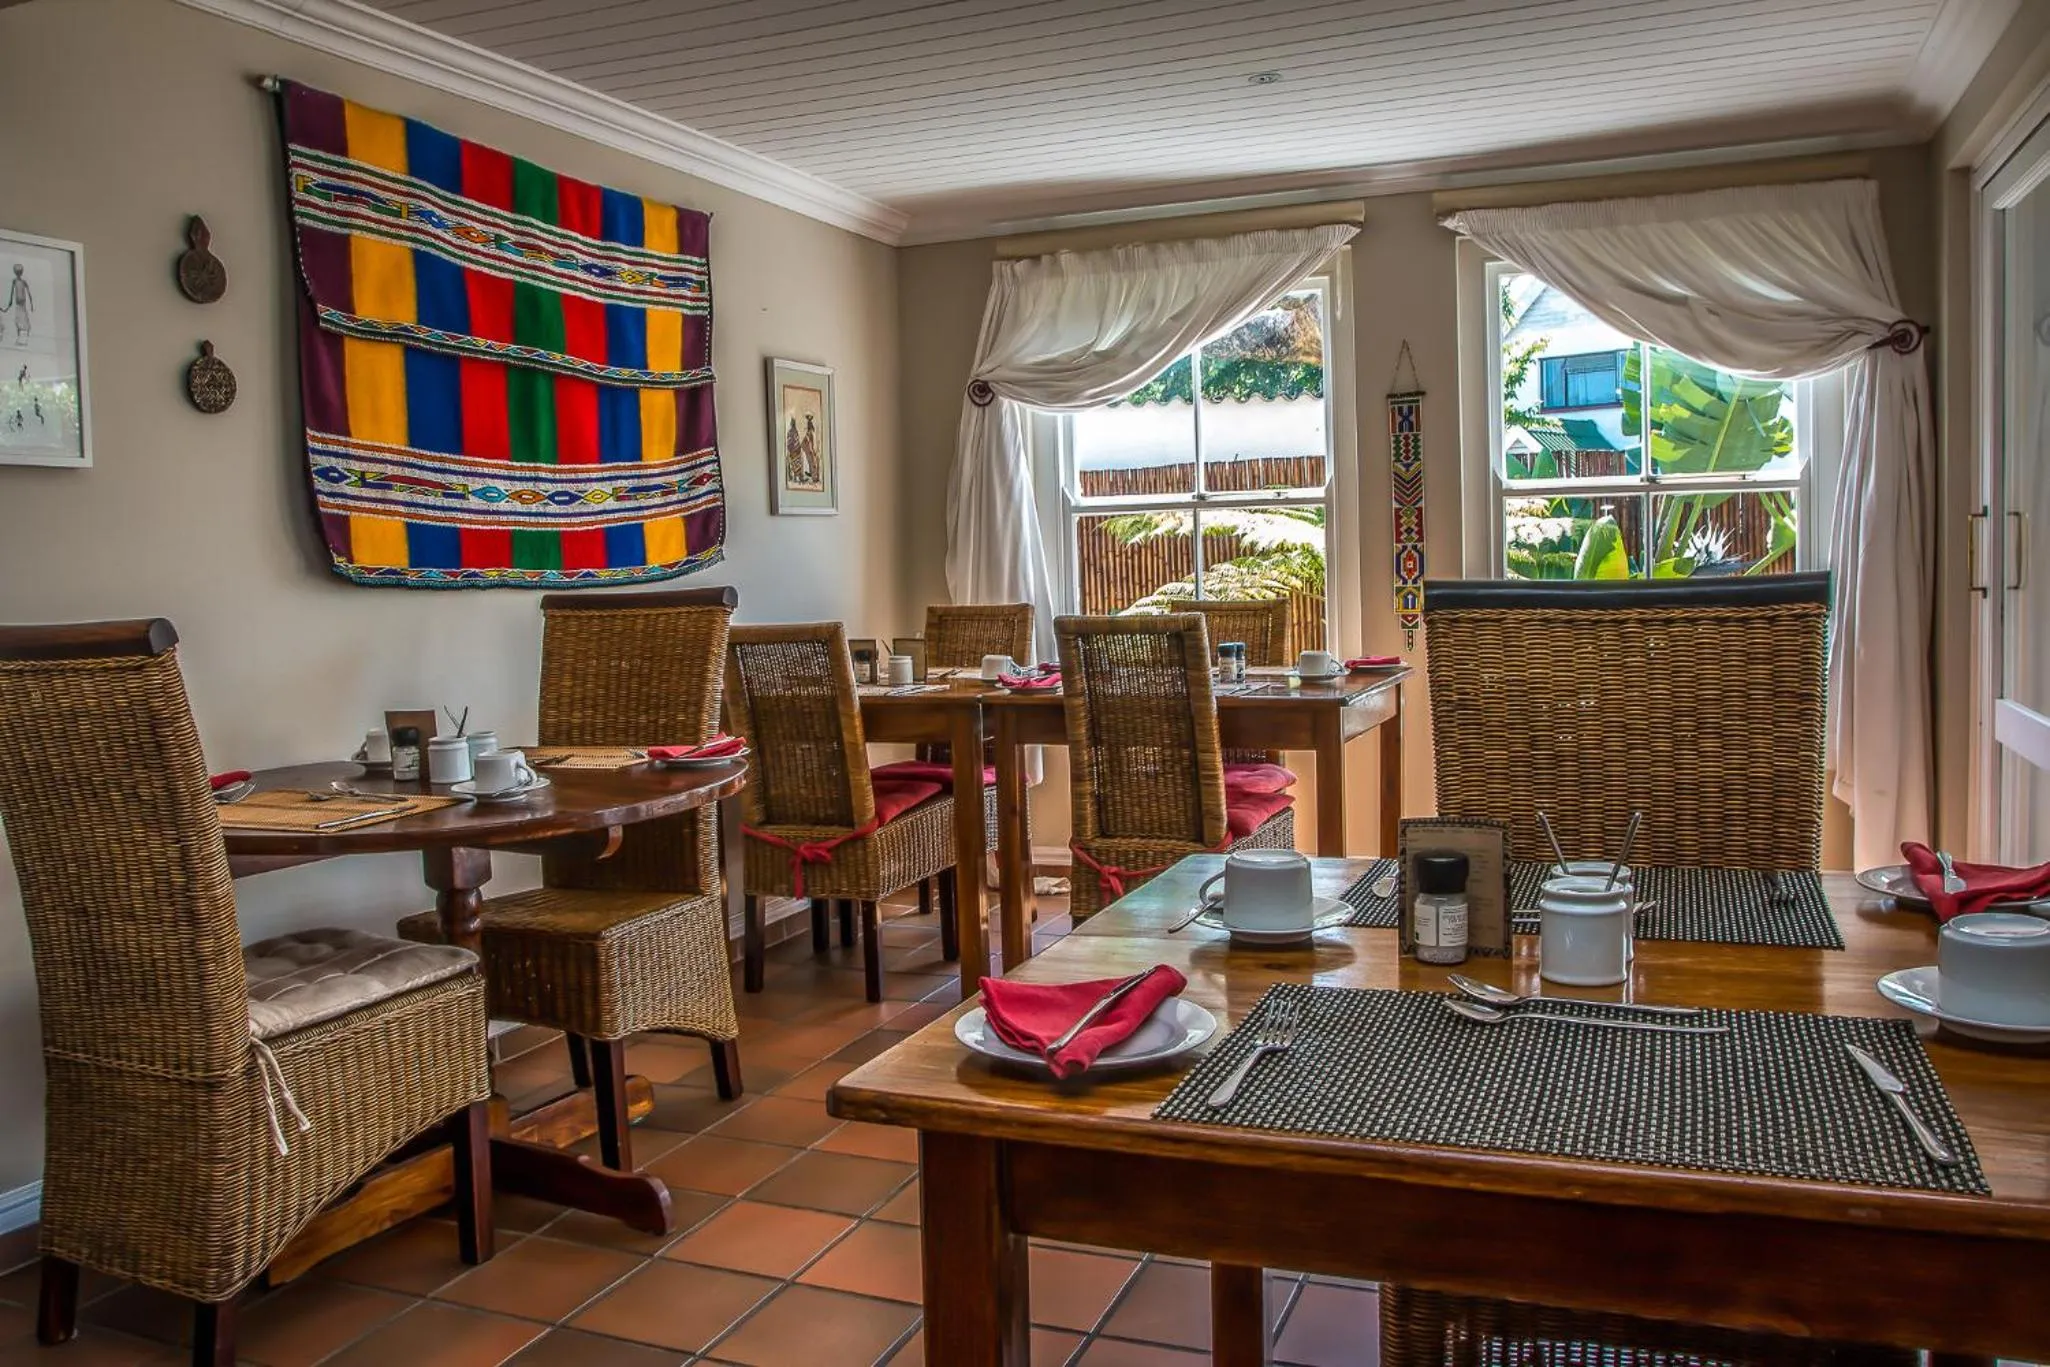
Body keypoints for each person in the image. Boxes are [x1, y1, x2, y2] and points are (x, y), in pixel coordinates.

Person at [3, 264, 32, 347]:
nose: (18, 273)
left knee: (23, 319)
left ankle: (24, 338)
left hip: (22, 303)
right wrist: (10, 302)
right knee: (18, 320)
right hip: (18, 303)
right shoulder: (14, 281)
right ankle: (20, 338)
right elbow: (12, 292)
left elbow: (28, 293)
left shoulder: (23, 282)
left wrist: (31, 303)